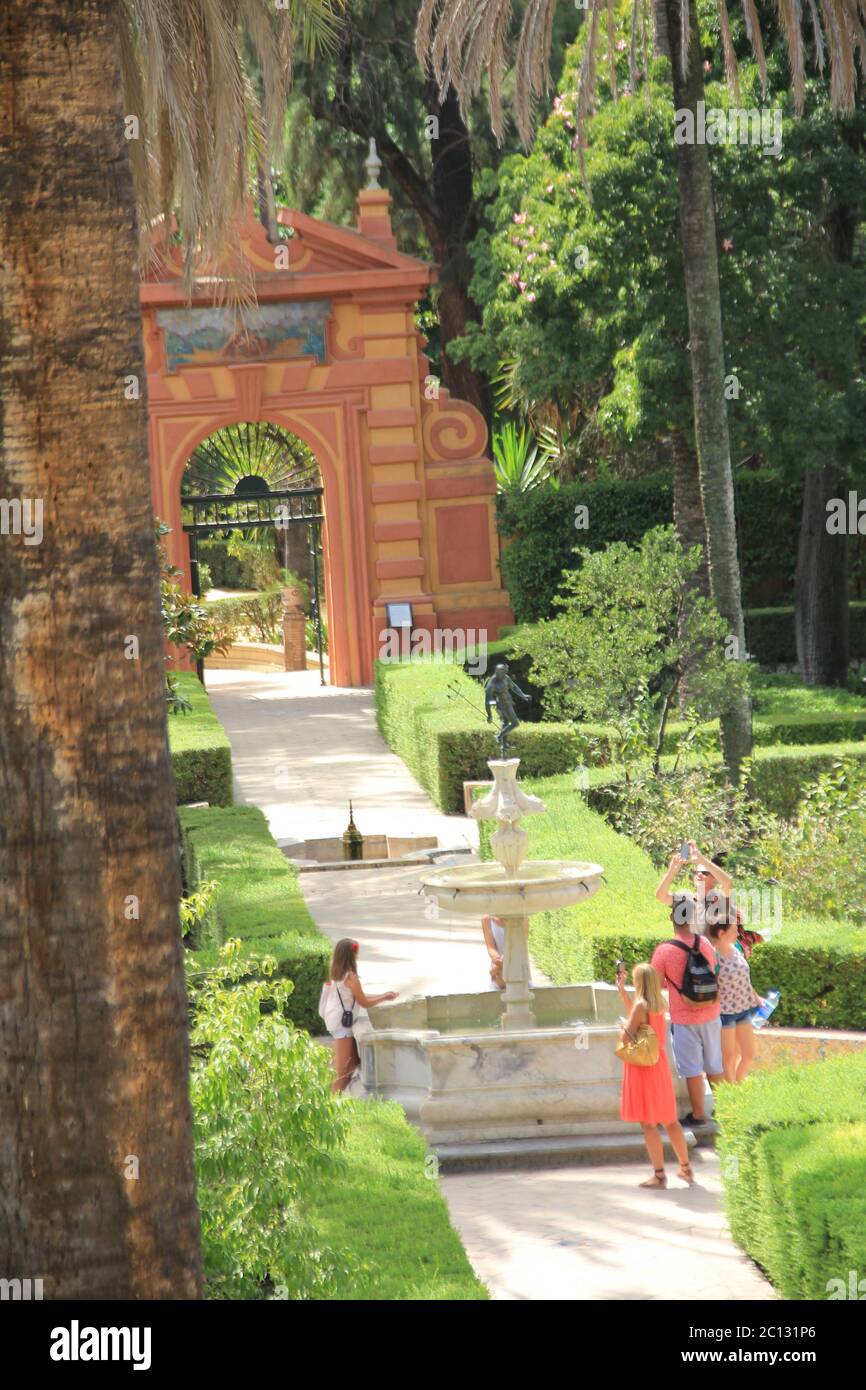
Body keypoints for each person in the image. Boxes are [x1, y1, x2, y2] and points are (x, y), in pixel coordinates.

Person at [616, 961, 693, 1188]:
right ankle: (685, 1168)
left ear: (640, 982)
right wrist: (622, 994)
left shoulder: (641, 1005)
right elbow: (641, 1019)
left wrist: (621, 1028)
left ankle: (659, 1175)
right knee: (669, 1120)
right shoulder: (659, 1003)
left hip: (642, 1068)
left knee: (648, 1123)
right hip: (658, 1065)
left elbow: (626, 1038)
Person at [651, 897, 724, 1126]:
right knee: (714, 1065)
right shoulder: (704, 944)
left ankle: (699, 1115)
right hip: (711, 1013)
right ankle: (726, 1112)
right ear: (692, 918)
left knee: (692, 1068)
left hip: (684, 1017)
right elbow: (712, 971)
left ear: (671, 918)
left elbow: (655, 984)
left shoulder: (664, 951)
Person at [320, 938, 398, 1094]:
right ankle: (331, 1102)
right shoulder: (351, 977)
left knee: (351, 1064)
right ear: (352, 954)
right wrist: (384, 998)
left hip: (335, 1020)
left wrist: (383, 994)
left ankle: (341, 1098)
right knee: (342, 1070)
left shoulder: (338, 973)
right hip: (342, 1025)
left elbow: (358, 996)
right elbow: (363, 1002)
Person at [706, 916, 763, 1083]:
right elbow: (709, 984)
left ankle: (737, 1085)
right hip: (725, 1014)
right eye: (733, 929)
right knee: (730, 1056)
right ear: (722, 933)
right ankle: (730, 1091)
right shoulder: (713, 955)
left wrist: (755, 996)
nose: (737, 932)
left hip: (743, 1009)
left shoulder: (737, 947)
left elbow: (744, 977)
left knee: (748, 1053)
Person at [655, 839, 733, 934]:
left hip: (708, 948)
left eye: (704, 873)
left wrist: (702, 860)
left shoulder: (719, 899)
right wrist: (672, 870)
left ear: (715, 879)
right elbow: (661, 896)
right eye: (696, 872)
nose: (699, 875)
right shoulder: (686, 898)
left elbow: (727, 883)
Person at [481, 913, 531, 990]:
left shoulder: (523, 918)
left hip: (517, 964)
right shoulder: (487, 919)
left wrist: (507, 960)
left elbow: (520, 944)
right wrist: (498, 959)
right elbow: (490, 948)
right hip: (498, 967)